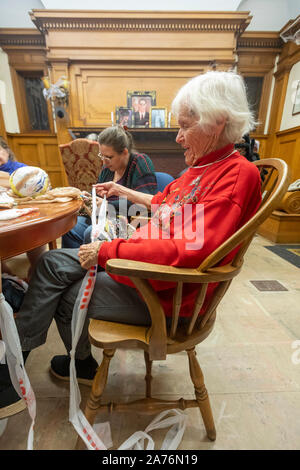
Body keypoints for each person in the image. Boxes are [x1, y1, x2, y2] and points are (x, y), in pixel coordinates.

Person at [0, 71, 262, 416]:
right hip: (146, 273)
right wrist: (119, 228)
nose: (179, 138)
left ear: (216, 123)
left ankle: (16, 373)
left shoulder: (235, 175)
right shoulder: (200, 170)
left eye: (184, 127)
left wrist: (108, 251)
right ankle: (22, 362)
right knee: (50, 264)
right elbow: (163, 208)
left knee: (63, 294)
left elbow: (188, 250)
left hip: (163, 294)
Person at [61, 126, 157, 248]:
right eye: (102, 155)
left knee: (91, 232)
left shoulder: (140, 162)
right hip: (103, 217)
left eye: (109, 157)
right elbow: (99, 192)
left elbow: (144, 204)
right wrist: (90, 198)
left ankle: (92, 264)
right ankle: (74, 264)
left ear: (125, 152)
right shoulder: (108, 168)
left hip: (129, 222)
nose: (104, 161)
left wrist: (107, 206)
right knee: (69, 228)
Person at [0, 138, 45, 279]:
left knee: (33, 229)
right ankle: (4, 272)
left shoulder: (20, 169)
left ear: (6, 150)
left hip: (21, 209)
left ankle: (36, 269)